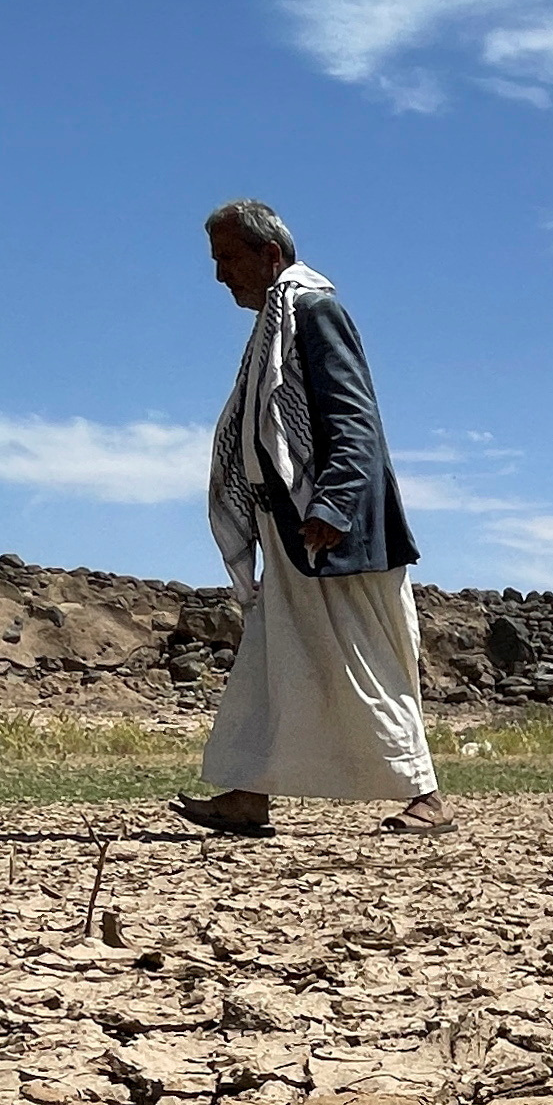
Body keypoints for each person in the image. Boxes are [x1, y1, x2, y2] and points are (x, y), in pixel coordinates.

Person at [172, 199, 447, 838]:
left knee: (366, 659)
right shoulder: (276, 323)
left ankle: (427, 796)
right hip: (290, 528)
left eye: (228, 258)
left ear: (270, 256)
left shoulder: (314, 312)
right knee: (273, 664)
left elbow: (355, 420)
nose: (220, 276)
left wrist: (330, 503)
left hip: (332, 531)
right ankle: (248, 795)